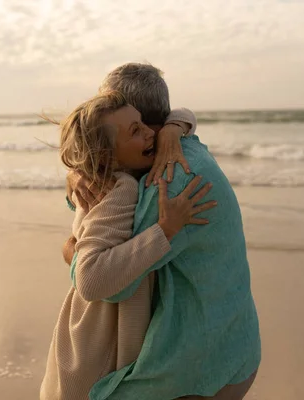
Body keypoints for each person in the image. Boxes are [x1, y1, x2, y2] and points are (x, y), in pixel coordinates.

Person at [65, 63, 261, 400]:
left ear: (137, 117)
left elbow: (105, 284)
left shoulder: (166, 180)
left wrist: (70, 252)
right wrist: (79, 177)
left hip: (198, 366)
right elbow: (98, 209)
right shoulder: (187, 147)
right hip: (235, 340)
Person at [40, 91, 217, 400]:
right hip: (95, 351)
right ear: (107, 157)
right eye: (136, 130)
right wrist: (165, 230)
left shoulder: (115, 173)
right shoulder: (121, 189)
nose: (152, 132)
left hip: (93, 338)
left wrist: (175, 127)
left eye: (144, 123)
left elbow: (184, 114)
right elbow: (90, 279)